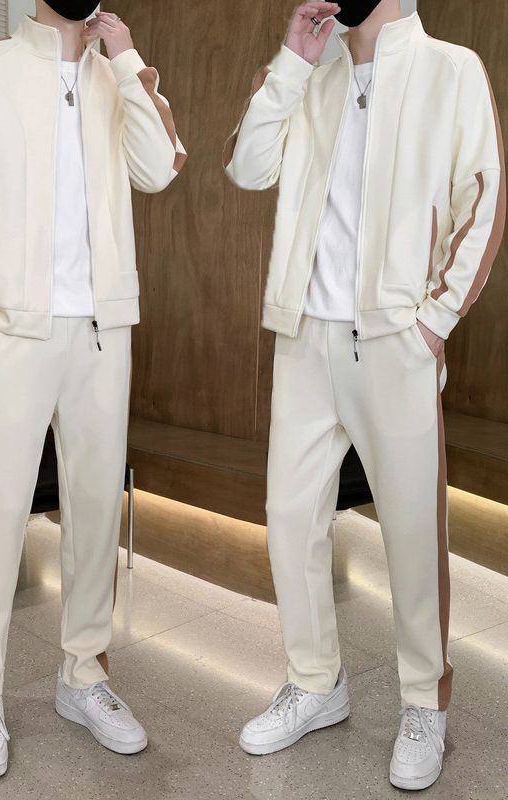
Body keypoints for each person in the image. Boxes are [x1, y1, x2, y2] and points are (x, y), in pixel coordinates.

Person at [223, 0, 504, 791]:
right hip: (305, 335)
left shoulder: (451, 68)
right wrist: (292, 63)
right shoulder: (310, 71)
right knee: (289, 519)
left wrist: (432, 323)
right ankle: (316, 682)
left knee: (412, 531)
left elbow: (485, 198)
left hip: (394, 341)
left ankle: (424, 701)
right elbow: (247, 166)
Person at [0, 0, 186, 780]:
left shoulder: (118, 76)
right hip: (14, 331)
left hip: (103, 331)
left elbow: (161, 166)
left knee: (94, 511)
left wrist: (127, 60)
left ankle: (84, 675)